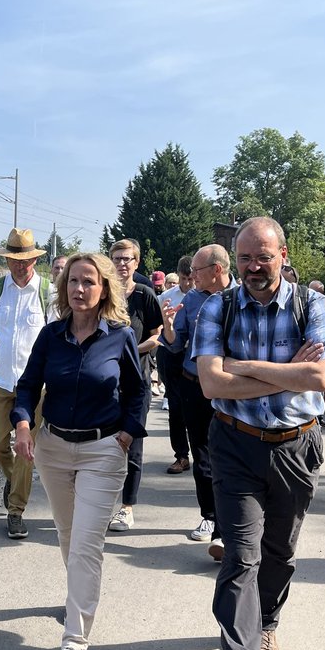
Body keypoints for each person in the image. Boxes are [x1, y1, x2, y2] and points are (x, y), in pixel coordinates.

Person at [193, 217, 325, 650]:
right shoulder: (217, 307)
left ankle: (268, 621)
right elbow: (212, 385)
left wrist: (247, 367)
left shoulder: (312, 305)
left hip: (297, 447)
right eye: (246, 259)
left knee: (279, 553)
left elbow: (318, 377)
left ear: (284, 254)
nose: (254, 267)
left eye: (264, 257)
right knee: (240, 554)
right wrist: (286, 373)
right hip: (234, 444)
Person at [12, 253, 147, 650]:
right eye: (73, 281)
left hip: (102, 450)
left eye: (88, 281)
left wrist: (126, 434)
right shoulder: (51, 336)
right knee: (69, 538)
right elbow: (29, 385)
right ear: (64, 287)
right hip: (53, 448)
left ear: (103, 287)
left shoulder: (120, 336)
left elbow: (137, 391)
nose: (79, 289)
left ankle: (74, 642)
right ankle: (79, 599)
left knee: (87, 544)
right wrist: (21, 422)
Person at [161, 243, 235, 560]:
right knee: (202, 456)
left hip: (232, 389)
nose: (191, 276)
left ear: (217, 270)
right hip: (195, 386)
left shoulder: (242, 298)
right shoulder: (190, 300)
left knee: (230, 457)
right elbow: (176, 346)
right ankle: (211, 518)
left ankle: (232, 525)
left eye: (197, 270)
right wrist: (167, 325)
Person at [0, 228, 50, 538]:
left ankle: (16, 510)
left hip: (35, 385)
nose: (19, 266)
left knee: (27, 448)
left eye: (24, 260)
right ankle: (14, 479)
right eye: (13, 260)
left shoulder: (48, 293)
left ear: (35, 259)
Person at [108, 239, 163, 531]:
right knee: (103, 445)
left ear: (136, 262)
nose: (122, 264)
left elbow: (158, 335)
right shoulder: (102, 294)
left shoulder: (144, 295)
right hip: (105, 382)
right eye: (116, 258)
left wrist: (132, 350)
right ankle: (101, 502)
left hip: (137, 381)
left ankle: (127, 506)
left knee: (133, 445)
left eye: (127, 259)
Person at [157, 257, 193, 475]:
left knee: (199, 406)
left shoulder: (205, 296)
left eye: (191, 278)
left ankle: (206, 453)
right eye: (184, 279)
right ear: (178, 276)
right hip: (171, 354)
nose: (188, 284)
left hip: (194, 355)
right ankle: (181, 455)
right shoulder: (166, 297)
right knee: (176, 406)